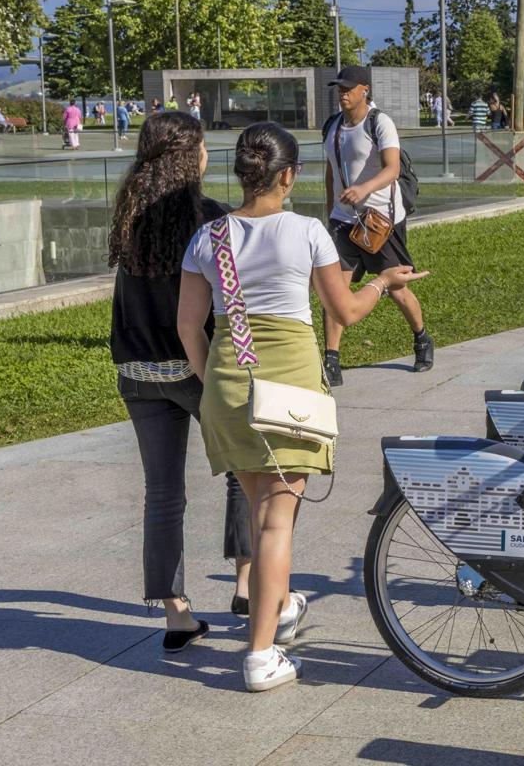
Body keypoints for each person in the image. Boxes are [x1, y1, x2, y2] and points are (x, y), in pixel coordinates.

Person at [178, 121, 426, 691]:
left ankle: (281, 607)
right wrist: (385, 281)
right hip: (289, 387)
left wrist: (214, 380)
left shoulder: (208, 237)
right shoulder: (307, 232)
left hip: (228, 385)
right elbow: (346, 310)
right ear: (288, 176)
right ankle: (261, 655)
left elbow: (189, 327)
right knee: (277, 522)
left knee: (260, 508)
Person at [109, 112, 253, 652]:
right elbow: (229, 298)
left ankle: (176, 614)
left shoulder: (128, 214)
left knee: (162, 493)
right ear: (190, 158)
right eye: (203, 148)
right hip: (195, 366)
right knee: (243, 467)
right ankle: (245, 584)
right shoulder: (210, 217)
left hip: (136, 371)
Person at [321, 65, 434, 383]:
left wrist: (363, 189)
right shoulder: (333, 126)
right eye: (339, 88)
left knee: (396, 287)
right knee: (334, 291)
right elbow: (332, 172)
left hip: (379, 221)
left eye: (348, 88)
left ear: (364, 90)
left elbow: (393, 169)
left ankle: (422, 338)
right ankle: (331, 360)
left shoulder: (379, 122)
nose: (342, 93)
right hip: (343, 222)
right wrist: (330, 213)